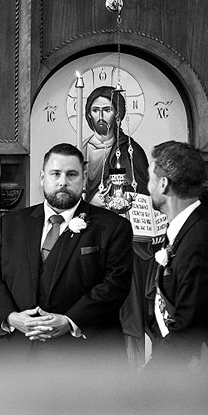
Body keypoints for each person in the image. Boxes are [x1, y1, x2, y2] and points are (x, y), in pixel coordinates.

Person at [0, 143, 133, 363]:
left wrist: (70, 320)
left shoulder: (113, 227)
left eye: (71, 175)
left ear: (84, 177)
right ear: (42, 177)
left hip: (87, 357)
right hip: (18, 357)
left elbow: (116, 284)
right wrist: (12, 318)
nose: (63, 182)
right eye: (55, 174)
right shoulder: (11, 225)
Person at [80, 86, 156, 363]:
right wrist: (92, 203)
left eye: (107, 109)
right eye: (96, 109)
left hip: (123, 236)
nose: (102, 115)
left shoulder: (131, 150)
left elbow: (145, 194)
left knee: (128, 305)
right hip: (89, 235)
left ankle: (132, 368)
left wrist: (122, 201)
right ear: (88, 114)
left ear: (119, 113)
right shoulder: (81, 149)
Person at [146, 141, 208, 368]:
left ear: (164, 184)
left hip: (190, 377)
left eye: (150, 178)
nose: (148, 187)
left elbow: (190, 331)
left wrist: (150, 375)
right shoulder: (186, 231)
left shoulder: (199, 243)